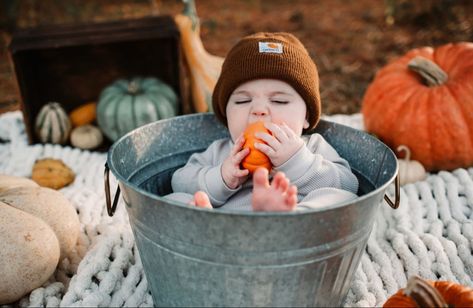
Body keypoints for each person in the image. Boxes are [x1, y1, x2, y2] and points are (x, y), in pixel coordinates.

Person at [167, 32, 359, 211]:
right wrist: (222, 178)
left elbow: (349, 184)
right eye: (243, 100)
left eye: (279, 101)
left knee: (341, 198)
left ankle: (286, 216)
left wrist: (298, 162)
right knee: (174, 200)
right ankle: (204, 222)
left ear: (306, 117)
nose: (259, 111)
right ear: (226, 114)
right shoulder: (221, 152)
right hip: (227, 231)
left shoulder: (312, 147)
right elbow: (179, 181)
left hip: (295, 232)